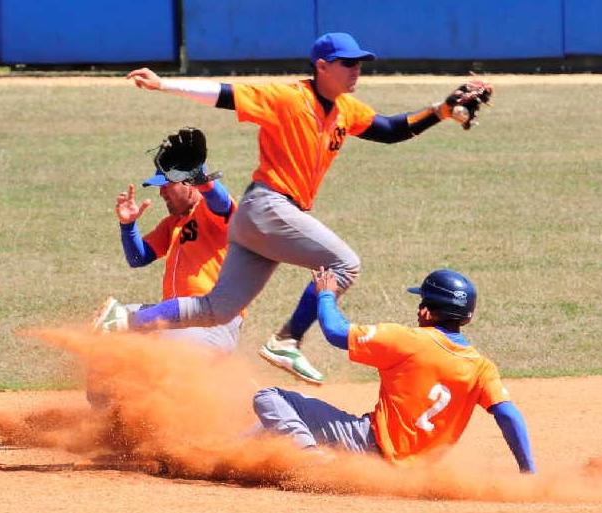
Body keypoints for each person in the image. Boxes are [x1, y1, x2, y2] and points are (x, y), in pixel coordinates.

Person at [104, 32, 492, 385]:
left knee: (217, 308)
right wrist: (163, 84)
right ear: (322, 66)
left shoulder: (346, 110)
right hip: (267, 205)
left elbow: (391, 130)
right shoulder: (288, 97)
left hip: (263, 221)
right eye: (348, 63)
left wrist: (441, 111)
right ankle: (287, 339)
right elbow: (224, 94)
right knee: (345, 263)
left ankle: (124, 320)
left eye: (359, 64)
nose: (356, 70)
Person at [251, 268, 536, 473]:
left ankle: (309, 461)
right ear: (467, 317)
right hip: (414, 473)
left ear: (426, 312)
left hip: (367, 445)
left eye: (421, 302)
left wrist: (325, 295)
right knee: (263, 432)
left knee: (269, 398)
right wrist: (528, 472)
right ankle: (225, 457)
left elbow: (336, 332)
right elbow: (508, 414)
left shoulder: (408, 341)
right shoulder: (482, 368)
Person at [93, 127, 243, 351]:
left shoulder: (212, 212)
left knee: (157, 343)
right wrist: (128, 225)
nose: (161, 193)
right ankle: (108, 388)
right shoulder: (172, 224)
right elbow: (138, 258)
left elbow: (221, 204)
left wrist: (204, 179)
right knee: (108, 327)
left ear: (188, 183)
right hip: (175, 318)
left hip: (212, 323)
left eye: (166, 186)